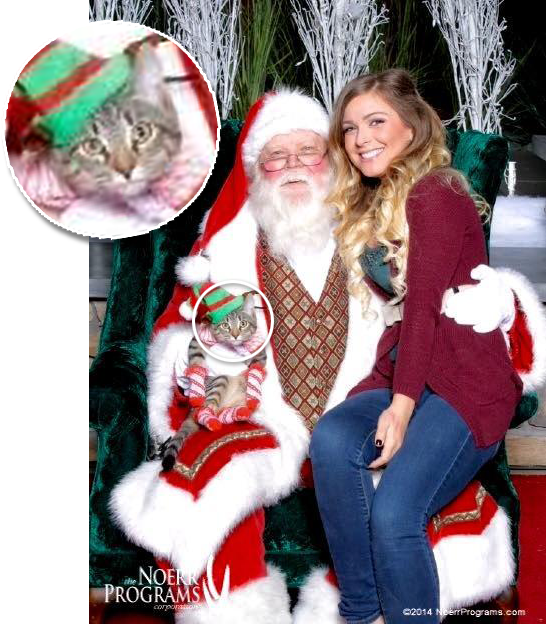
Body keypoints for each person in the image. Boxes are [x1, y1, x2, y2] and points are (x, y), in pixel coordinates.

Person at [109, 88, 545, 623]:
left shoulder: (383, 216)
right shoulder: (225, 253)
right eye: (276, 155)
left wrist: (502, 303)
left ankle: (382, 610)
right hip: (267, 417)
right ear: (256, 170)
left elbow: (444, 291)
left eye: (307, 151)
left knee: (398, 509)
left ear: (331, 160)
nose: (293, 165)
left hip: (384, 393)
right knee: (212, 480)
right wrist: (199, 363)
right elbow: (182, 331)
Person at [308, 69, 544, 624]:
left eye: (376, 121)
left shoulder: (436, 191)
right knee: (332, 439)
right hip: (409, 370)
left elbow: (422, 310)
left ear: (411, 127)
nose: (360, 138)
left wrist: (401, 406)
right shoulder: (372, 203)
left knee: (395, 514)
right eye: (349, 129)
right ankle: (364, 613)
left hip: (465, 380)